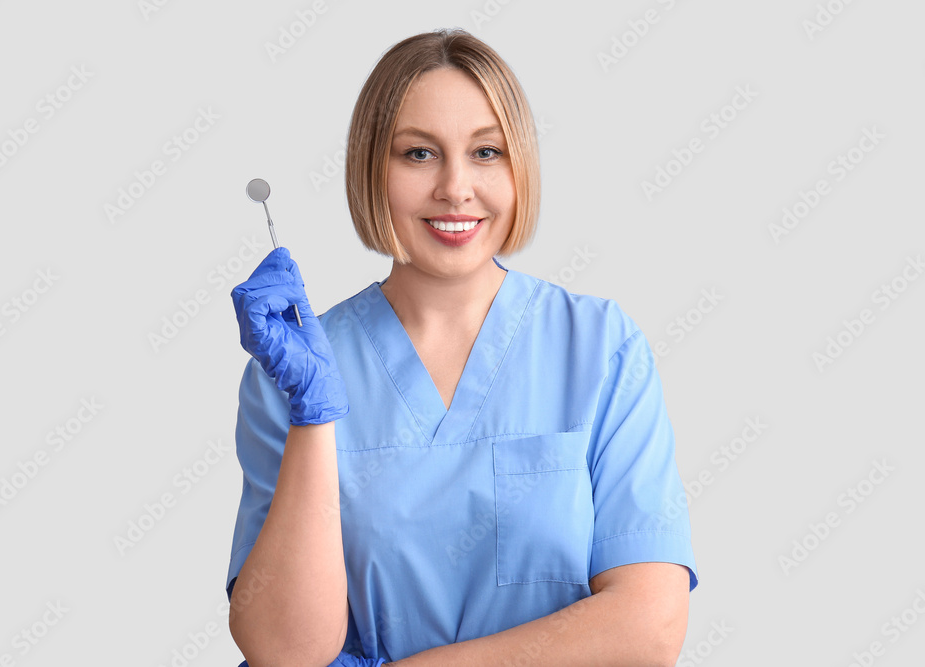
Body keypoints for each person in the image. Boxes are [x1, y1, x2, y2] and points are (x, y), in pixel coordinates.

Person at [226, 28, 698, 667]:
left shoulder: (599, 348)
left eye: (486, 152)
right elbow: (286, 652)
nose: (455, 187)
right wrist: (314, 418)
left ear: (519, 166)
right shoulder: (293, 373)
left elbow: (650, 626)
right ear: (371, 170)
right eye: (418, 154)